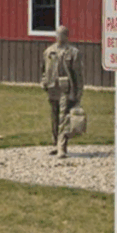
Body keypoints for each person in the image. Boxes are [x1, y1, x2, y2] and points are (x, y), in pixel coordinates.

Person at [41, 25, 85, 157]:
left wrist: (78, 93)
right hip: (52, 88)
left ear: (67, 36)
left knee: (63, 117)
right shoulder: (49, 51)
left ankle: (62, 147)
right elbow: (43, 69)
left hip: (66, 89)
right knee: (54, 117)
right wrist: (44, 81)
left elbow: (78, 75)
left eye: (62, 34)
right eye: (57, 34)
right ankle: (55, 143)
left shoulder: (73, 52)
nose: (59, 37)